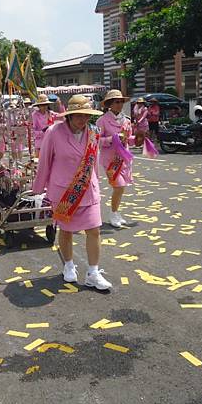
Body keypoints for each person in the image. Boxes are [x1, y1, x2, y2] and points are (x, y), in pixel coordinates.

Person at [33, 95, 112, 290]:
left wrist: (96, 184)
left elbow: (93, 162)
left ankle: (93, 272)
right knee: (66, 231)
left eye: (86, 115)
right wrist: (38, 191)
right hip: (63, 191)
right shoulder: (54, 132)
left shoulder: (94, 132)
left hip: (88, 189)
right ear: (69, 115)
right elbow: (45, 163)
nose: (83, 120)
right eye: (78, 115)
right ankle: (68, 265)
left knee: (94, 230)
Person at [96, 90, 134, 229]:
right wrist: (112, 139)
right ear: (109, 104)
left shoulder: (126, 120)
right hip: (110, 160)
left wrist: (139, 139)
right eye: (116, 102)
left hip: (123, 159)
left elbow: (128, 139)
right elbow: (96, 141)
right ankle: (113, 214)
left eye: (121, 101)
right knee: (118, 186)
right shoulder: (102, 120)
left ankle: (116, 212)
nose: (119, 104)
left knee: (121, 187)